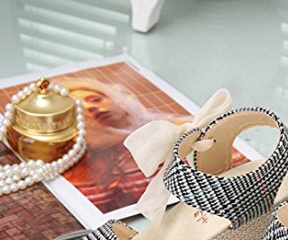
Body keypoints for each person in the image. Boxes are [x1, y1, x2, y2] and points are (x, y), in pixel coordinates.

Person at [58, 78, 189, 214]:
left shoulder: (174, 127)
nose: (90, 107)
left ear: (119, 100)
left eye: (96, 99)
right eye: (78, 111)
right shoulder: (83, 165)